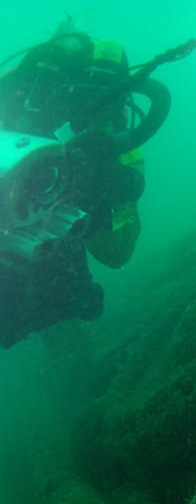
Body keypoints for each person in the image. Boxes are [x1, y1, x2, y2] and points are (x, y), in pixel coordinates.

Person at [0, 28, 169, 347]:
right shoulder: (11, 114)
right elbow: (116, 254)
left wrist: (88, 198)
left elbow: (117, 251)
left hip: (53, 289)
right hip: (39, 284)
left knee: (64, 328)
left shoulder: (115, 149)